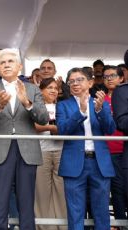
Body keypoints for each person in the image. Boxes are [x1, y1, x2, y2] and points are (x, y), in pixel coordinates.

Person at [0, 48, 48, 230]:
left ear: (19, 66)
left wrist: (27, 103)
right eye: (2, 62)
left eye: (10, 61)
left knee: (26, 201)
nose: (6, 65)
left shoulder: (33, 89)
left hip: (27, 150)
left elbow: (43, 119)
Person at [56, 67, 115, 230]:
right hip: (74, 164)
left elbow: (110, 129)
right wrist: (80, 112)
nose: (75, 84)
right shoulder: (63, 106)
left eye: (79, 80)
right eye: (71, 81)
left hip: (99, 163)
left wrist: (99, 110)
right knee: (75, 214)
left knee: (102, 213)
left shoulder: (99, 102)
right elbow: (62, 130)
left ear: (90, 82)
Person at [34, 78, 66, 230]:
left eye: (55, 88)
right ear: (41, 91)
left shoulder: (63, 106)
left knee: (61, 191)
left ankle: (62, 226)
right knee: (42, 192)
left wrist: (50, 127)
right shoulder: (36, 106)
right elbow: (34, 126)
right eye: (49, 88)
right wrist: (55, 128)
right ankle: (45, 227)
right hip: (42, 151)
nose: (53, 90)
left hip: (61, 151)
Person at [102, 65, 127, 222]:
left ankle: (122, 222)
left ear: (121, 78)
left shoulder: (124, 97)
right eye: (105, 76)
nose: (109, 79)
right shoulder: (99, 99)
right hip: (105, 151)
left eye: (112, 75)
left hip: (123, 150)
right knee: (109, 190)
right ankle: (116, 223)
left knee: (122, 189)